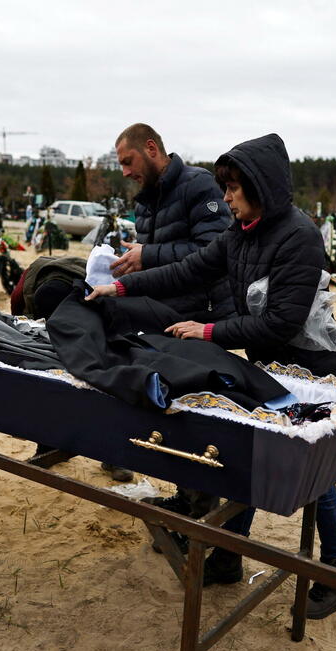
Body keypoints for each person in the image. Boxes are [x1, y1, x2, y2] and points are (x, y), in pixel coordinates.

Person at [88, 133, 336, 620]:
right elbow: (188, 270)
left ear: (261, 186)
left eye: (233, 188)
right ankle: (230, 556)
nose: (226, 197)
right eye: (225, 187)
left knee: (315, 476)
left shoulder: (299, 235)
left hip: (315, 372)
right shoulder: (241, 231)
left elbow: (282, 321)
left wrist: (208, 330)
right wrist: (122, 284)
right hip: (271, 366)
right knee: (249, 457)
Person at [106, 124, 235, 494]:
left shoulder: (200, 186)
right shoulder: (146, 199)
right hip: (163, 313)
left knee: (195, 412)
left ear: (151, 148)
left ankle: (198, 499)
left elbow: (212, 251)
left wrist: (149, 254)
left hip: (202, 315)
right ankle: (128, 455)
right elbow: (159, 257)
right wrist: (132, 260)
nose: (125, 172)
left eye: (128, 162)